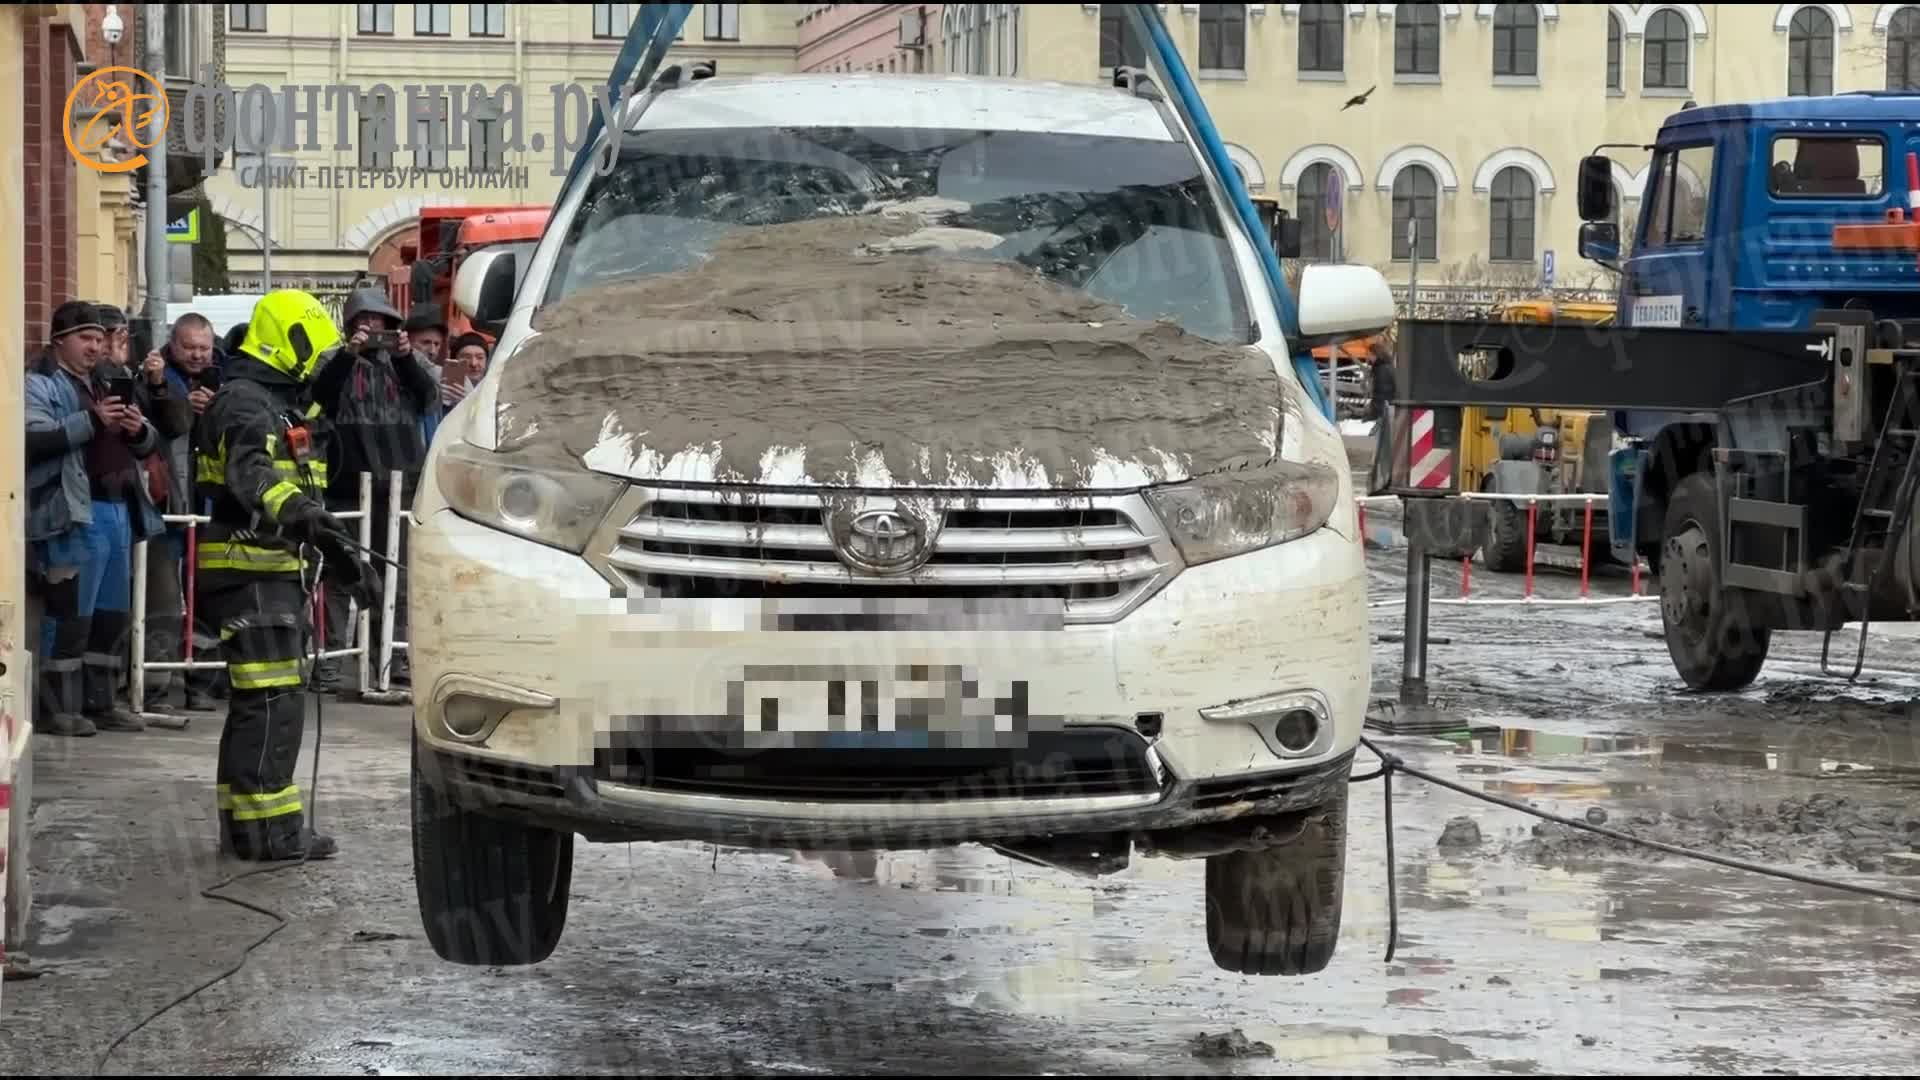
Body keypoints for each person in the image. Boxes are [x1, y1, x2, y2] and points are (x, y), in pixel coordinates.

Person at [194, 289, 378, 861]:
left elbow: (301, 461)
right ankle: (271, 835)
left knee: (260, 702)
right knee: (274, 702)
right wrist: (307, 518)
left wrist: (342, 558)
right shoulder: (247, 404)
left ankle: (246, 829)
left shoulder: (268, 403)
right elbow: (255, 478)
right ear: (288, 344)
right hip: (250, 571)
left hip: (262, 570)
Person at [24, 301, 174, 735]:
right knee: (70, 614)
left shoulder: (108, 380)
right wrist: (93, 420)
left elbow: (152, 442)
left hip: (117, 508)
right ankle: (58, 709)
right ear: (59, 342)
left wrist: (137, 429)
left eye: (99, 339)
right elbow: (33, 438)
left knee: (112, 615)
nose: (95, 347)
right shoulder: (40, 384)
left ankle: (100, 701)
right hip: (72, 511)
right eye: (85, 339)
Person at [309, 287, 438, 692]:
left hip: (399, 482)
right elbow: (320, 397)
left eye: (380, 321)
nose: (373, 328)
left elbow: (429, 399)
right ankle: (328, 659)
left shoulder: (411, 360)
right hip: (345, 482)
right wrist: (350, 354)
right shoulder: (333, 358)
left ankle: (390, 656)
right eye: (364, 322)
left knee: (393, 576)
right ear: (350, 325)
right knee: (335, 575)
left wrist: (402, 358)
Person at [146, 311, 229, 711]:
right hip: (166, 504)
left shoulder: (225, 379)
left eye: (204, 348)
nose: (197, 356)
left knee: (208, 600)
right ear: (172, 343)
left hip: (209, 504)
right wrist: (173, 397)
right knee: (163, 600)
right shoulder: (153, 376)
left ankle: (202, 684)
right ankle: (156, 685)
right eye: (189, 347)